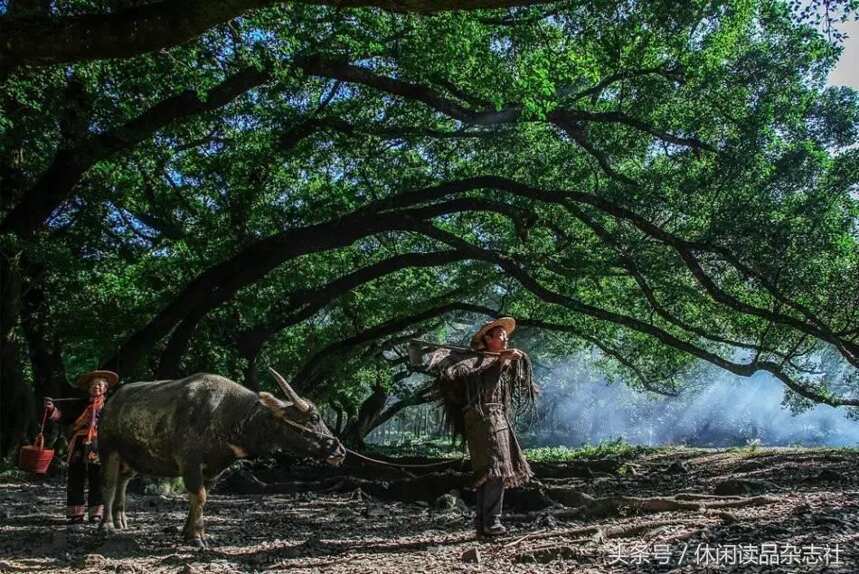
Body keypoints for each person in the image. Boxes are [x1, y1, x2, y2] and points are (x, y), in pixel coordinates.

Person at [425, 317, 537, 537]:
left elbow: (517, 379)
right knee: (494, 471)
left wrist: (507, 361)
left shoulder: (498, 361)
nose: (505, 339)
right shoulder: (473, 362)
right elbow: (466, 375)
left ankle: (484, 524)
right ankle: (491, 522)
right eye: (499, 335)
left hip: (497, 418)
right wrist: (499, 360)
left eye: (505, 336)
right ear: (487, 339)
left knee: (494, 472)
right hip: (482, 419)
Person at [44, 370, 119, 524]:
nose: (96, 388)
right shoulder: (79, 404)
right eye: (93, 385)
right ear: (89, 388)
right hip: (79, 442)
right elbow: (64, 417)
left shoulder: (111, 406)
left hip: (100, 444)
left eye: (100, 385)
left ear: (105, 389)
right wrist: (51, 408)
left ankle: (96, 512)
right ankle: (75, 512)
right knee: (75, 475)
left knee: (98, 476)